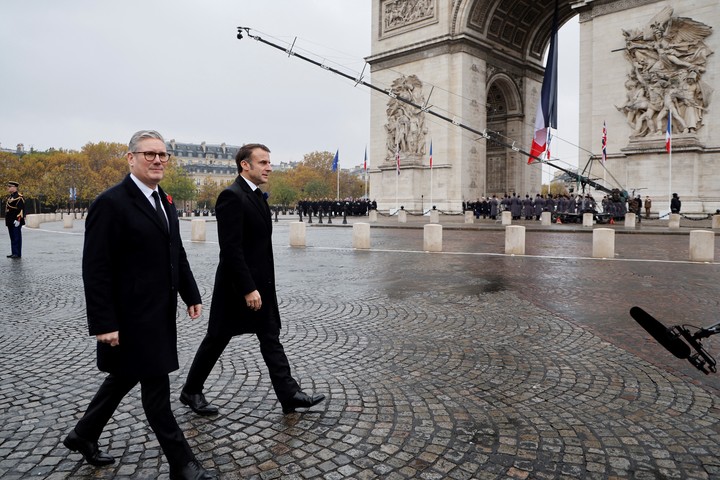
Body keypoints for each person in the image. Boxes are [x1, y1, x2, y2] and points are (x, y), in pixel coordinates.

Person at [62, 130, 217, 480]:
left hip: (158, 312)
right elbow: (95, 267)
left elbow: (175, 251)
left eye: (163, 155)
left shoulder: (166, 200)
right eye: (149, 154)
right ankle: (184, 464)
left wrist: (190, 294)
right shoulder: (111, 202)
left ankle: (83, 434)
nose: (158, 160)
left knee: (124, 377)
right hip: (129, 316)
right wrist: (103, 322)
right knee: (156, 391)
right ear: (130, 158)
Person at [180, 143, 325, 417]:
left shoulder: (256, 196)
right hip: (237, 287)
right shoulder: (231, 196)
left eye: (269, 162)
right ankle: (191, 390)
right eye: (263, 162)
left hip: (261, 285)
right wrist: (248, 288)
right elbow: (231, 249)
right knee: (217, 338)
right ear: (245, 165)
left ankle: (288, 393)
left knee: (270, 337)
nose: (269, 167)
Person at [5, 181, 25, 258]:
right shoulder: (10, 197)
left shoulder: (19, 197)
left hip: (16, 221)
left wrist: (18, 219)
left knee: (17, 237)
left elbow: (21, 210)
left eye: (10, 187)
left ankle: (17, 253)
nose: (8, 188)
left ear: (14, 187)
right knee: (12, 237)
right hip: (10, 220)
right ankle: (14, 252)